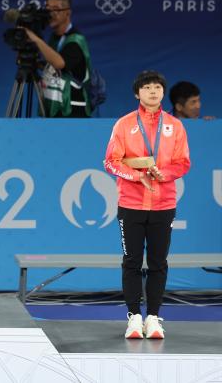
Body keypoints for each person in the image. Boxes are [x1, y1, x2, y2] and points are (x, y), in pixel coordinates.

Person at [104, 70, 190, 339]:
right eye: (147, 87)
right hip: (130, 203)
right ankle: (133, 318)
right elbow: (110, 161)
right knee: (131, 261)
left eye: (157, 87)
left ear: (163, 93)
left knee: (158, 262)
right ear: (137, 93)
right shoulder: (124, 124)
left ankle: (153, 317)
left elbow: (183, 162)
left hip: (164, 204)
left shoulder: (175, 126)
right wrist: (136, 175)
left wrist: (164, 174)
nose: (153, 91)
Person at [23, 0, 93, 117]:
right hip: (55, 108)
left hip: (73, 112)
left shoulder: (76, 40)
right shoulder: (54, 38)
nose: (51, 14)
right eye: (48, 9)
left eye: (56, 9)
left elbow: (60, 63)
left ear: (67, 13)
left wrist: (35, 39)